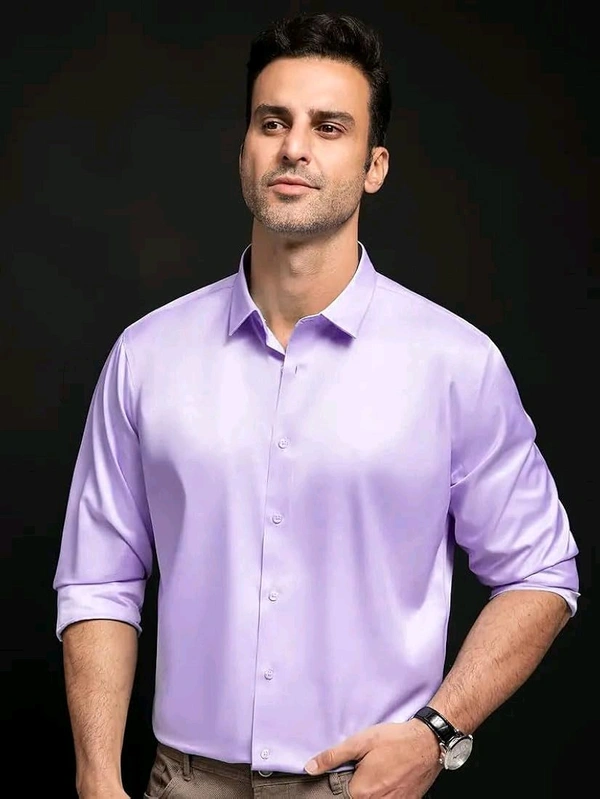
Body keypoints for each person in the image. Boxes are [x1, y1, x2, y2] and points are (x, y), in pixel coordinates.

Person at [53, 11, 579, 799]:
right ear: (245, 148)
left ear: (374, 166)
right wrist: (98, 778)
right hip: (183, 782)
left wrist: (436, 733)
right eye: (273, 122)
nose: (294, 146)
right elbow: (99, 581)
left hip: (363, 784)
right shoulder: (146, 356)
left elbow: (541, 571)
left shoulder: (455, 364)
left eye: (329, 127)